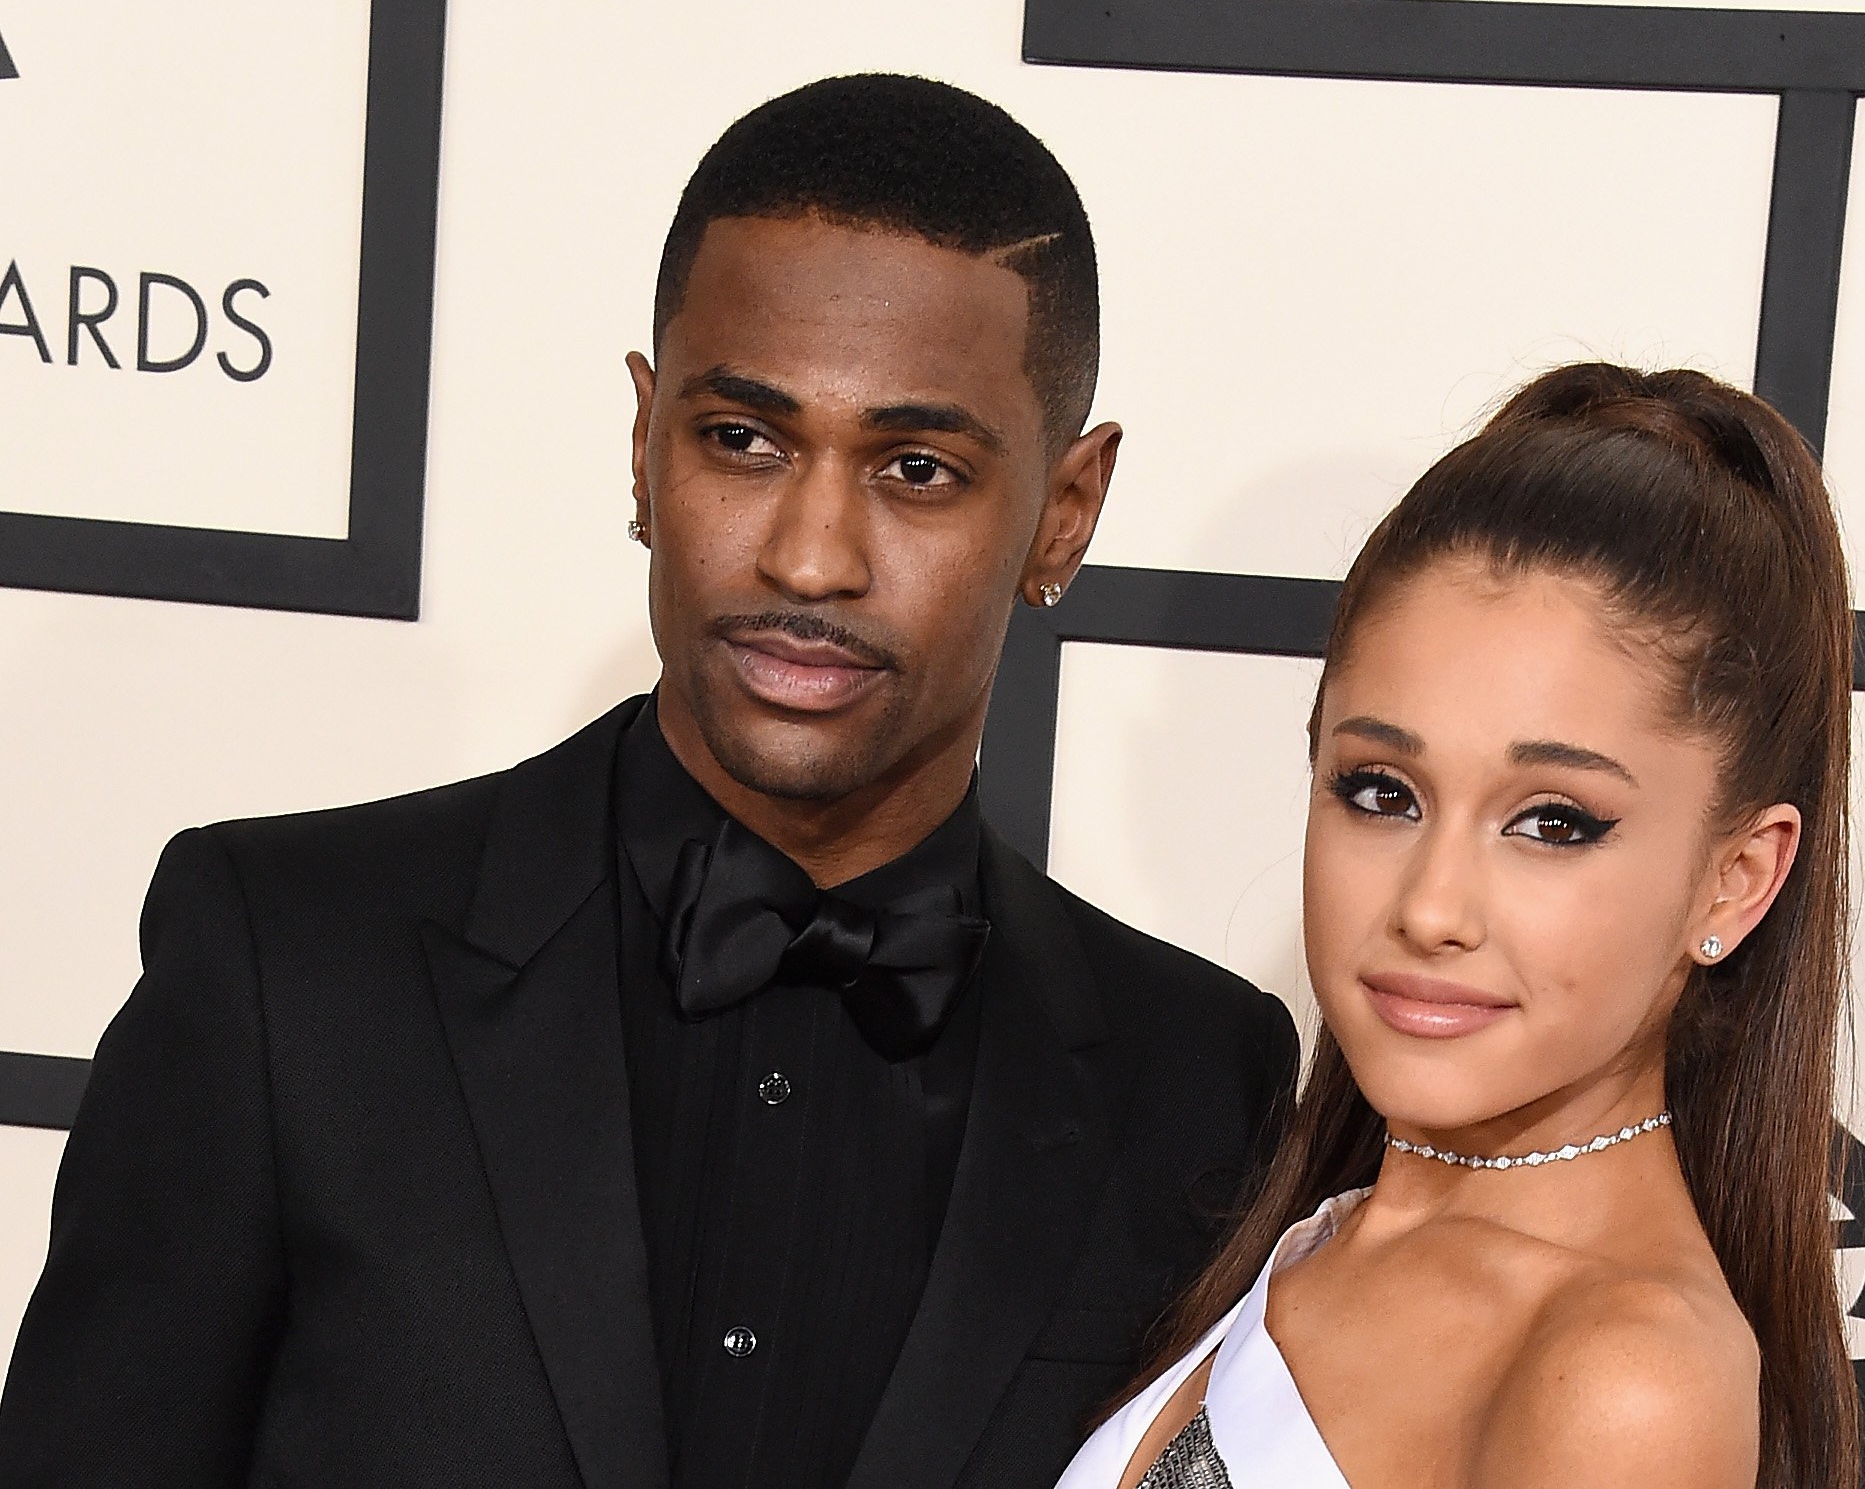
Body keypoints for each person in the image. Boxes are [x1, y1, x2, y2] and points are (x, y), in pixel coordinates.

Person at [0, 75, 1299, 1489]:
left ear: (1065, 509)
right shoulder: (287, 961)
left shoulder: (1194, 1081)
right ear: (643, 439)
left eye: (915, 467)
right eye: (741, 439)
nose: (808, 558)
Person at [1059, 363, 1862, 1489]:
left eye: (1552, 821)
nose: (1430, 907)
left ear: (1732, 879)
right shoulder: (1318, 1230)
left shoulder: (1623, 1379)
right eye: (1381, 790)